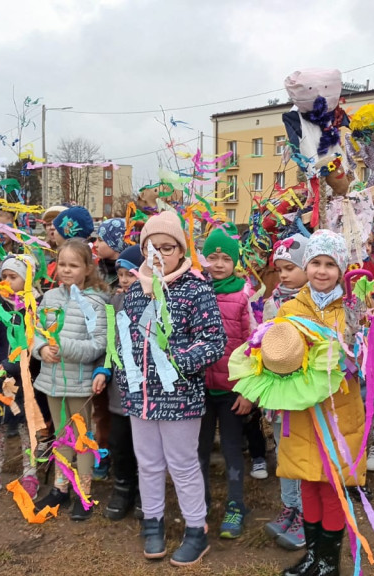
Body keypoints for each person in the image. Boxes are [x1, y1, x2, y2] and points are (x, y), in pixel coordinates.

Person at [123, 211, 226, 567]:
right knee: (148, 463)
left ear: (181, 251)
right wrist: (128, 378)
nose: (160, 254)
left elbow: (214, 341)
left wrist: (176, 363)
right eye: (152, 247)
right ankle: (153, 522)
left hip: (179, 397)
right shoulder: (135, 290)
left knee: (182, 465)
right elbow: (125, 342)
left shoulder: (196, 288)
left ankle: (196, 529)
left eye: (168, 247)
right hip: (140, 398)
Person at [276, 229, 367, 576]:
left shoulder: (354, 308)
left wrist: (356, 349)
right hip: (301, 410)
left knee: (331, 484)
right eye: (316, 262)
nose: (322, 271)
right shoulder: (290, 307)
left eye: (331, 264)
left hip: (338, 411)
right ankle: (313, 556)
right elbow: (278, 350)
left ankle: (329, 562)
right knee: (307, 480)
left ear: (341, 270)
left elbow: (369, 355)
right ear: (307, 265)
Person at [31, 237, 109, 521]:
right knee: (62, 435)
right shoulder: (50, 298)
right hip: (52, 381)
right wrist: (40, 349)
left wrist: (65, 348)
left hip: (79, 382)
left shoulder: (96, 302)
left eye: (73, 265)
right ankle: (61, 488)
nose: (65, 270)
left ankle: (84, 493)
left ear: (87, 268)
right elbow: (37, 332)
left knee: (82, 438)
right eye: (62, 264)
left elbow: (99, 344)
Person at [196, 228, 256, 538]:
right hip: (200, 390)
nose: (218, 264)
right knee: (199, 450)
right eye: (212, 257)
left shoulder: (243, 296)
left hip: (233, 391)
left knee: (233, 449)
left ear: (235, 261)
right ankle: (200, 503)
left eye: (225, 258)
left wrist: (247, 390)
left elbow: (253, 345)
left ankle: (236, 505)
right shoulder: (195, 290)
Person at [0, 254, 41, 499]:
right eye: (4, 276)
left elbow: (32, 344)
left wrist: (9, 366)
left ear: (28, 278)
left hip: (24, 379)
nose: (6, 281)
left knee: (26, 427)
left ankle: (30, 473)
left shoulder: (36, 305)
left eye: (13, 277)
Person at [261, 234, 309, 551]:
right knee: (283, 452)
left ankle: (306, 514)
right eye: (280, 269)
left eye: (291, 267)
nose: (284, 275)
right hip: (279, 393)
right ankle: (289, 505)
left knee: (302, 455)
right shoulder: (271, 303)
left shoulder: (313, 304)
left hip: (303, 393)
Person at [95, 244, 144, 521]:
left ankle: (142, 490)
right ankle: (122, 486)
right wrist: (103, 370)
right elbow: (110, 341)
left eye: (131, 275)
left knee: (143, 443)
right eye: (121, 274)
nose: (124, 280)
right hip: (119, 388)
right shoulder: (114, 302)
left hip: (144, 386)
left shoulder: (154, 301)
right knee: (119, 440)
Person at [91, 217, 127, 480]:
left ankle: (124, 459)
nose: (96, 244)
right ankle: (103, 454)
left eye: (101, 239)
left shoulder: (131, 273)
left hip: (124, 353)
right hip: (100, 348)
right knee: (101, 408)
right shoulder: (97, 273)